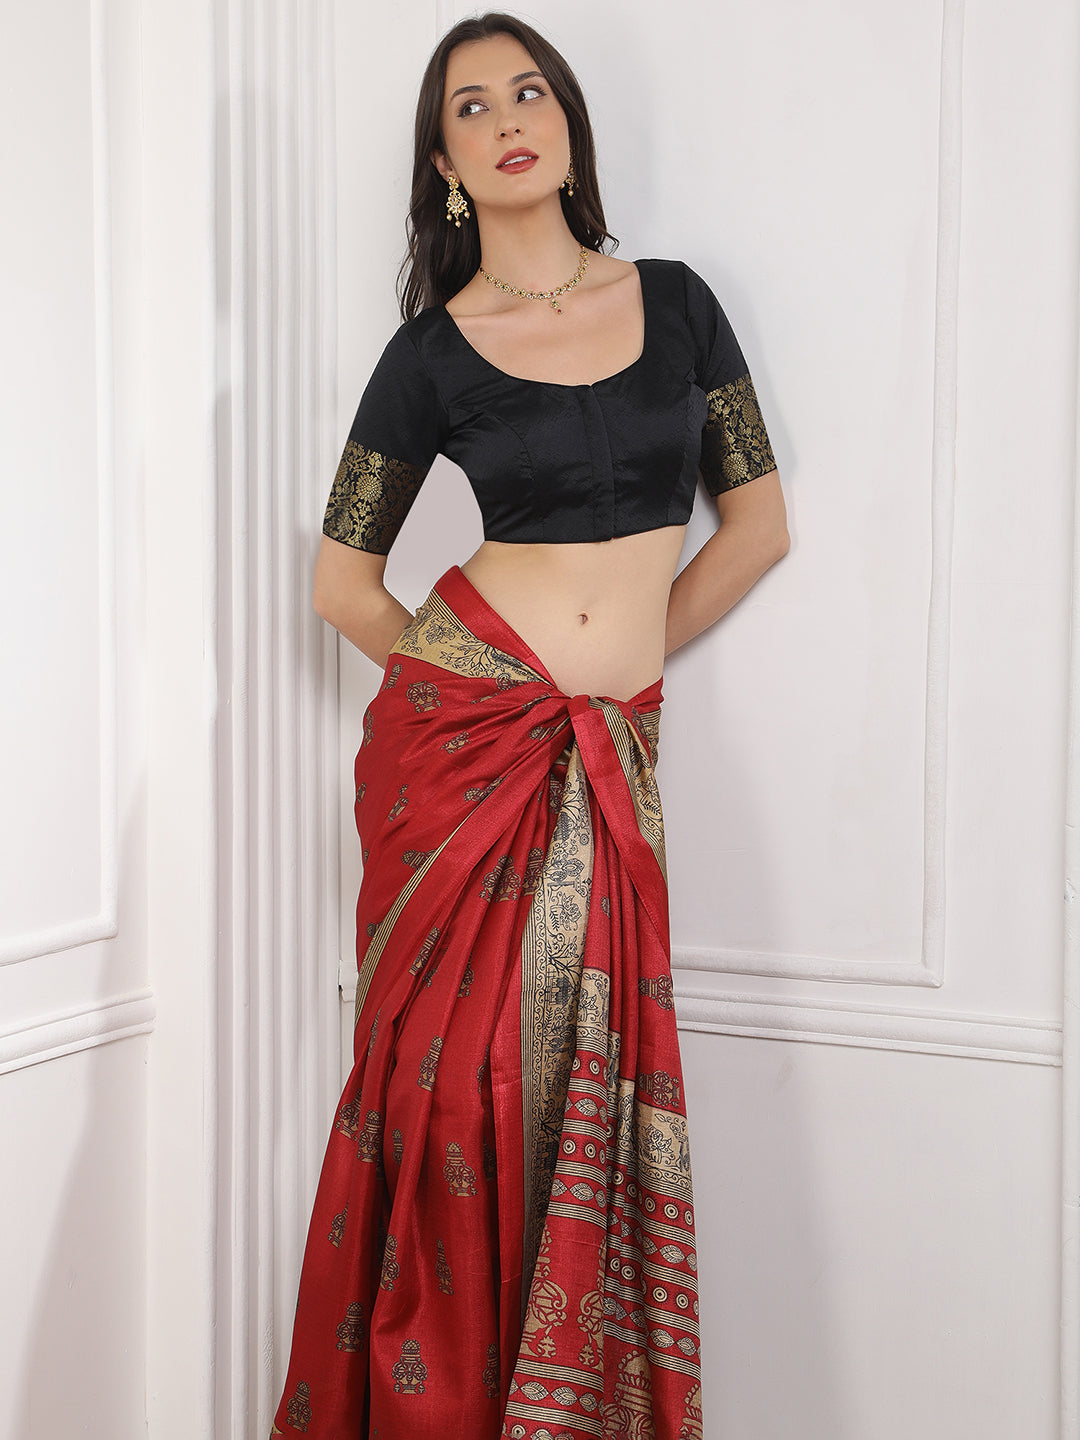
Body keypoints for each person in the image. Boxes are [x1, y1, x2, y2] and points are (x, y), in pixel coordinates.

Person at [270, 12, 789, 1439]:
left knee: (571, 1088)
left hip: (601, 751)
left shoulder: (678, 305)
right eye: (471, 107)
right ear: (444, 166)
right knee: (459, 1097)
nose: (508, 118)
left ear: (567, 123)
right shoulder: (433, 354)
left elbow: (756, 528)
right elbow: (341, 584)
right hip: (466, 755)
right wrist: (481, 696)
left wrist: (607, 687)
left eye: (530, 92)